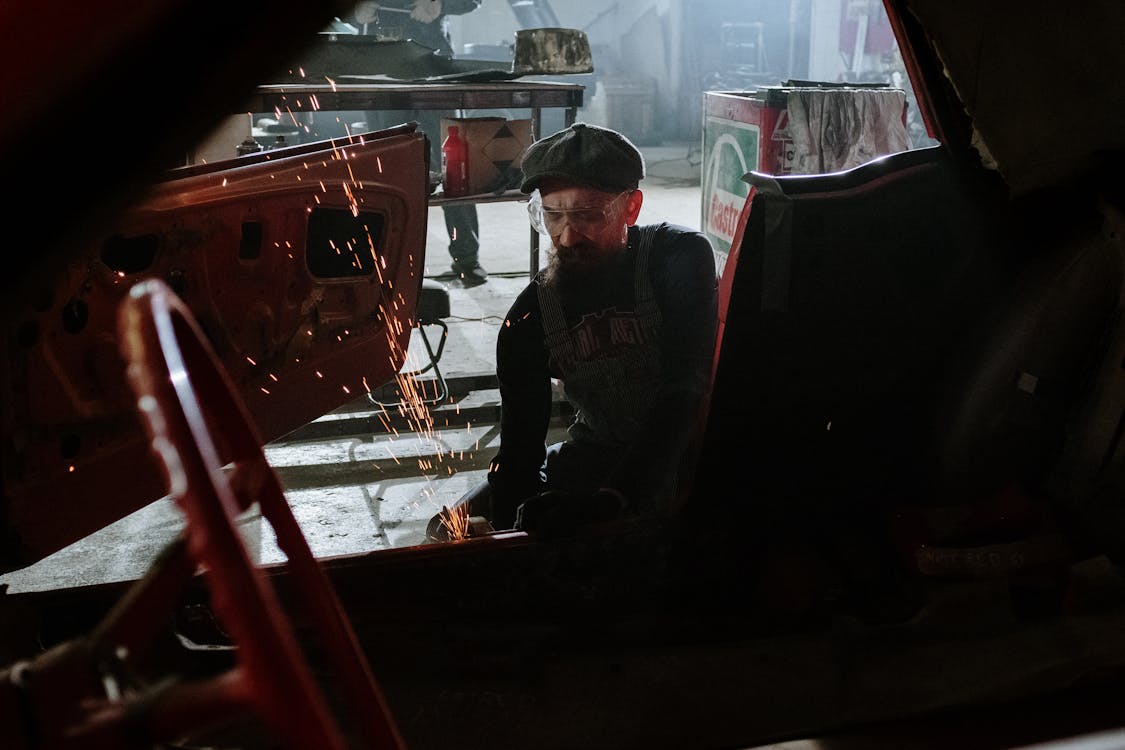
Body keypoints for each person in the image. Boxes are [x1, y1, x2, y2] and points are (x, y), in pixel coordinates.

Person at [430, 122, 719, 539]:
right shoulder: (531, 316)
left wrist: (612, 500)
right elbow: (521, 445)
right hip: (595, 451)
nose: (568, 237)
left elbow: (684, 387)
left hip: (686, 451)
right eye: (552, 215)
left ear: (631, 208)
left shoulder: (676, 258)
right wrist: (512, 529)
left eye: (587, 215)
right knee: (448, 531)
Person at [350, 0, 489, 285]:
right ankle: (386, 264)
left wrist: (441, 4)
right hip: (379, 67)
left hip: (432, 65)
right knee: (385, 170)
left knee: (454, 167)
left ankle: (467, 260)